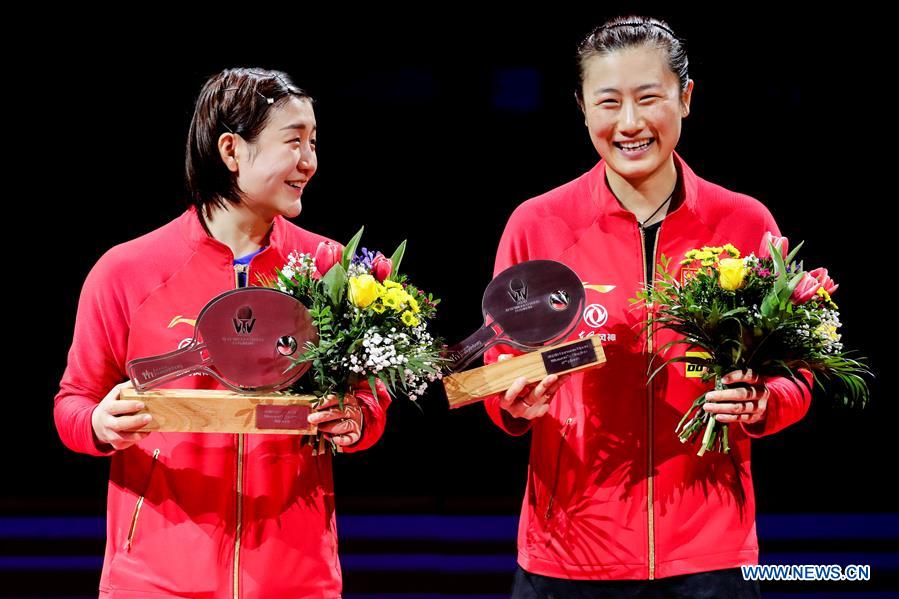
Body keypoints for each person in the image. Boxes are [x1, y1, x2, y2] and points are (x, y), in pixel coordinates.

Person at [483, 17, 813, 598]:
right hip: (569, 554)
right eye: (608, 102)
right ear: (583, 110)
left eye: (648, 98)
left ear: (685, 99)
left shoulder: (745, 222)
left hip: (711, 554)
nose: (629, 123)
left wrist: (763, 401)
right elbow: (499, 363)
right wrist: (514, 403)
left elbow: (797, 371)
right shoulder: (536, 225)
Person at [54, 67, 390, 598]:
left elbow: (370, 399)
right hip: (156, 579)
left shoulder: (330, 267)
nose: (310, 161)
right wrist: (99, 422)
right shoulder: (128, 271)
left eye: (314, 141)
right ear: (231, 150)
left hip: (295, 578)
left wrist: (358, 419)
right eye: (294, 141)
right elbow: (73, 402)